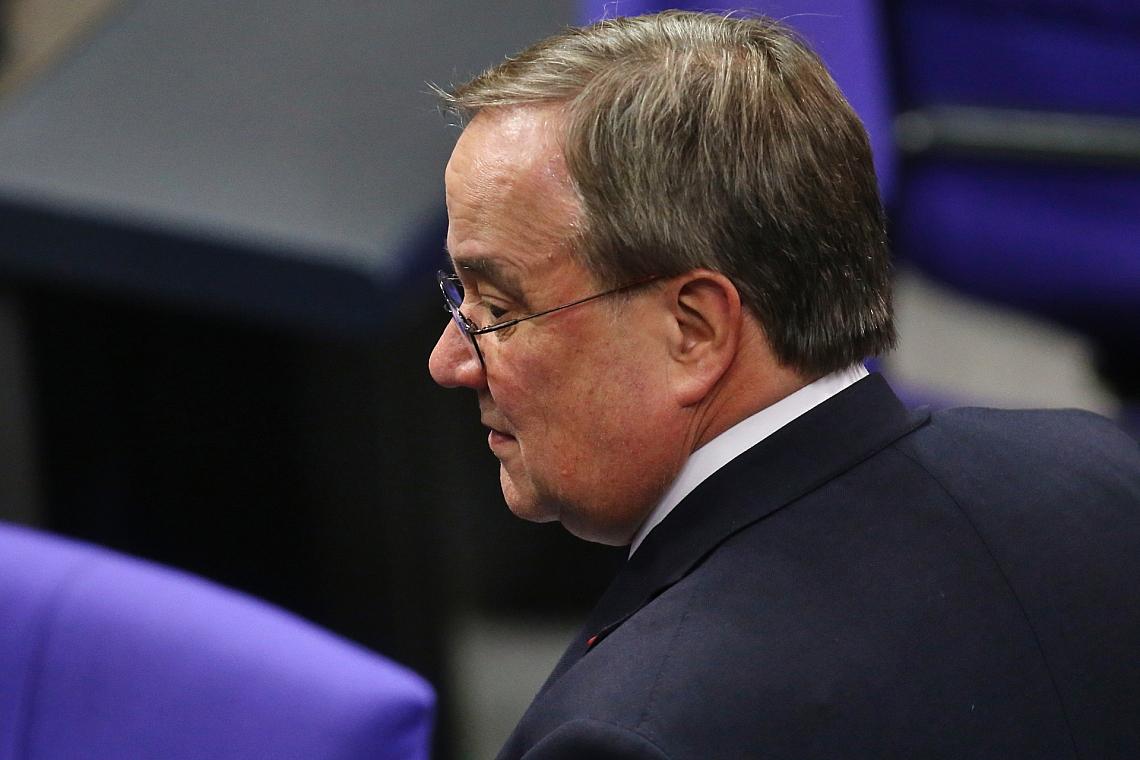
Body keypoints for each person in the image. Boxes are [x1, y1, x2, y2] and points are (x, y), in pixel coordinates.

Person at [428, 11, 1140, 759]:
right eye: (457, 297)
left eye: (498, 309)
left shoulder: (630, 736)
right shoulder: (1098, 476)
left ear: (694, 330)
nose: (448, 361)